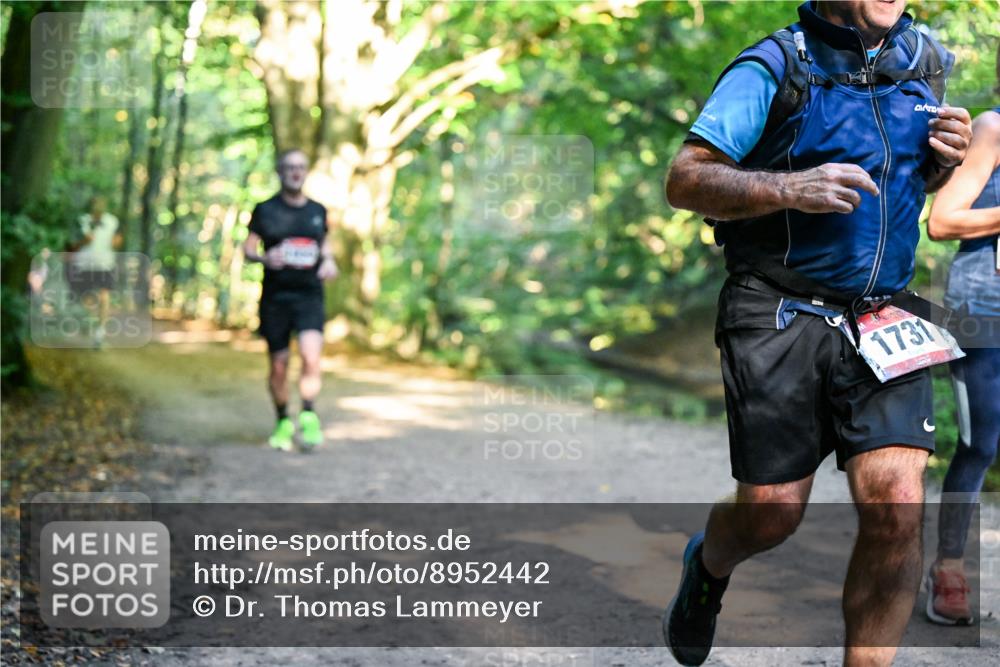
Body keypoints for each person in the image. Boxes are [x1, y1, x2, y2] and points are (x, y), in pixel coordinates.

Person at [661, 2, 972, 666]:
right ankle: (709, 565)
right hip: (777, 309)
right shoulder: (776, 65)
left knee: (897, 508)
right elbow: (685, 179)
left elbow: (908, 182)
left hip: (884, 315)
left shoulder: (926, 63)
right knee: (771, 512)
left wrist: (946, 160)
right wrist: (790, 187)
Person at [925, 94, 1000, 626]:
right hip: (983, 314)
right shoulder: (994, 128)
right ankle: (948, 569)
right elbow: (943, 221)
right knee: (981, 443)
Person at [243, 148, 338, 451]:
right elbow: (248, 249)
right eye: (289, 167)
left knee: (311, 357)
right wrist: (262, 257)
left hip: (309, 295)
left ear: (306, 171)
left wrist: (328, 261)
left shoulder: (317, 211)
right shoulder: (265, 210)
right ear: (280, 172)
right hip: (275, 298)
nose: (295, 172)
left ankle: (308, 416)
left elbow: (325, 245)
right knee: (279, 365)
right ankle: (283, 420)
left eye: (300, 166)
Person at [67, 196, 123, 347]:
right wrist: (84, 240)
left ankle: (100, 332)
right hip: (83, 265)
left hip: (105, 265)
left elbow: (117, 241)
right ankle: (89, 324)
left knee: (104, 296)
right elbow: (71, 246)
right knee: (86, 298)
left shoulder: (112, 221)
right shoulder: (81, 220)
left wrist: (115, 240)